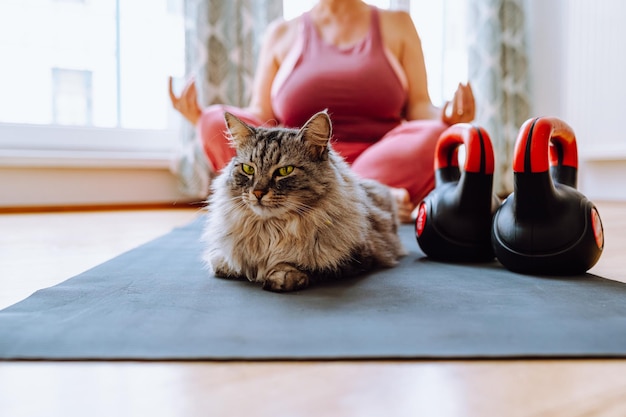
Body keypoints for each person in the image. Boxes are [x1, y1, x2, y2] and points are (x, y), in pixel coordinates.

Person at [169, 0, 475, 223]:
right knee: (212, 120)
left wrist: (448, 117)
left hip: (379, 158)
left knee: (436, 135)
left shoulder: (398, 24)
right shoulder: (281, 33)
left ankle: (360, 196)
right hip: (293, 168)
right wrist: (199, 118)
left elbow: (420, 105)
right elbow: (261, 115)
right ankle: (372, 201)